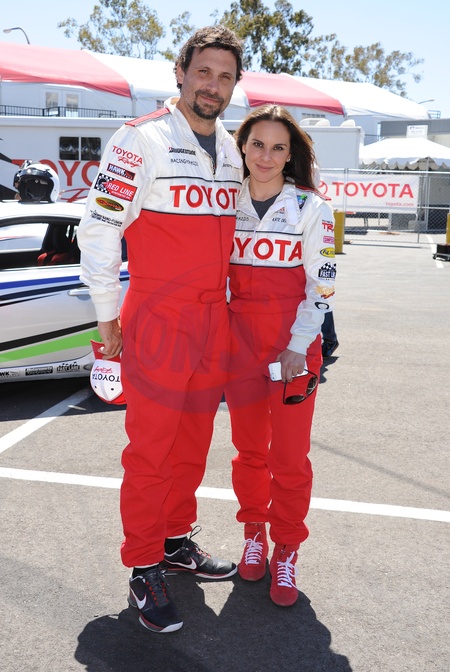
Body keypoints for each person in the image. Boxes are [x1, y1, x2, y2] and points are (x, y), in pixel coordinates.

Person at [77, 26, 244, 634]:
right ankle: (143, 563)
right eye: (204, 72)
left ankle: (174, 540)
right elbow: (98, 230)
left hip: (214, 317)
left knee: (193, 442)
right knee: (150, 448)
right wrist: (108, 316)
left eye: (225, 76)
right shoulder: (139, 138)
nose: (212, 85)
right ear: (180, 72)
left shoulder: (233, 148)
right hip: (159, 314)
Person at [224, 104, 336, 607]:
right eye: (257, 144)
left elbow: (323, 285)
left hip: (294, 348)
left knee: (289, 457)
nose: (265, 156)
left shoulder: (313, 206)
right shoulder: (225, 200)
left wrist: (297, 344)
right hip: (239, 346)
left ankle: (287, 547)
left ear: (291, 155)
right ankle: (254, 533)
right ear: (242, 147)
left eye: (277, 147)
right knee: (249, 451)